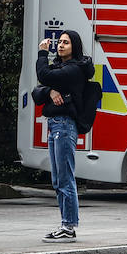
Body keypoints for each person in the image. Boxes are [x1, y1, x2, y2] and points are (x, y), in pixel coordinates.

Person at [35, 29, 93, 242]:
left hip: (64, 125)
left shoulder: (75, 69)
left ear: (74, 47)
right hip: (55, 125)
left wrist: (42, 54)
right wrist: (49, 92)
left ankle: (68, 226)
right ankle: (65, 224)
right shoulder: (61, 67)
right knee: (58, 178)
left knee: (65, 178)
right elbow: (37, 90)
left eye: (66, 43)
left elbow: (43, 76)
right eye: (59, 42)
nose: (60, 45)